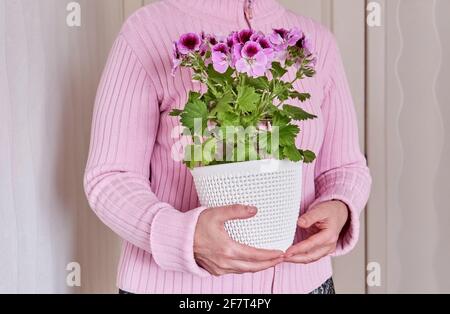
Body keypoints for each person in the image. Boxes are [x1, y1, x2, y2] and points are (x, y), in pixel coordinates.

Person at [84, 0, 371, 294]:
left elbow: (346, 168)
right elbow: (110, 177)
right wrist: (183, 237)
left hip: (305, 285)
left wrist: (339, 208)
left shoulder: (315, 42)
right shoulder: (147, 31)